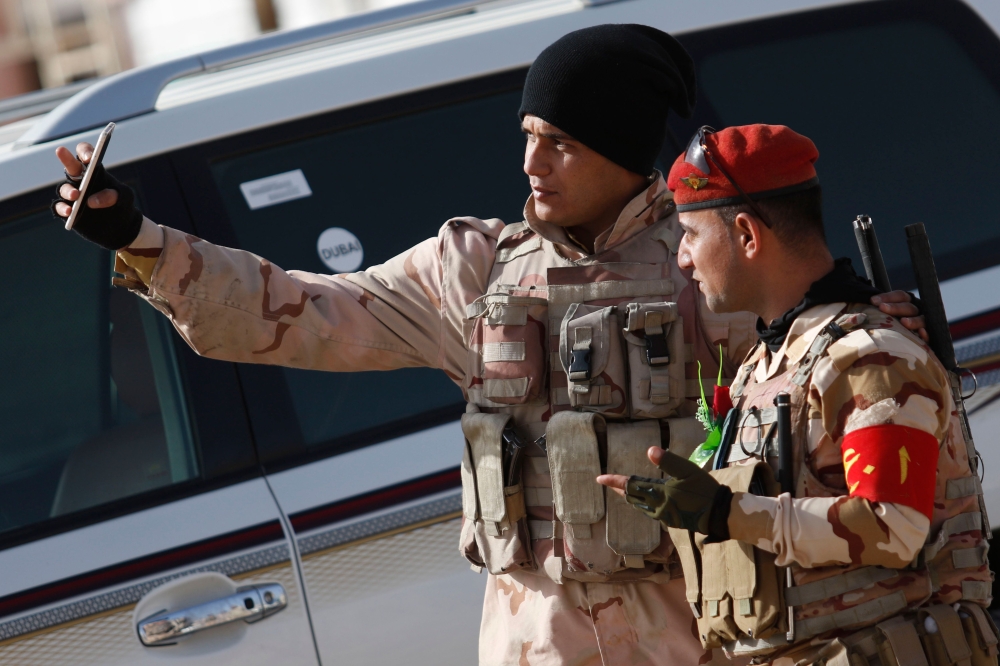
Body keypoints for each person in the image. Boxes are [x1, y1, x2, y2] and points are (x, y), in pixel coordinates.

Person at [52, 27, 926, 665]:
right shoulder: (474, 268)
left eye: (563, 143)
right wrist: (144, 240)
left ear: (627, 153)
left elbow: (841, 420)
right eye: (528, 137)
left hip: (697, 636)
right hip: (533, 636)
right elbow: (301, 310)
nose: (532, 164)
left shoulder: (715, 264)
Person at [599, 124, 995, 666]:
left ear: (746, 235)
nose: (683, 260)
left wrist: (728, 513)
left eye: (690, 235)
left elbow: (895, 525)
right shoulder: (762, 365)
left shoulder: (870, 357)